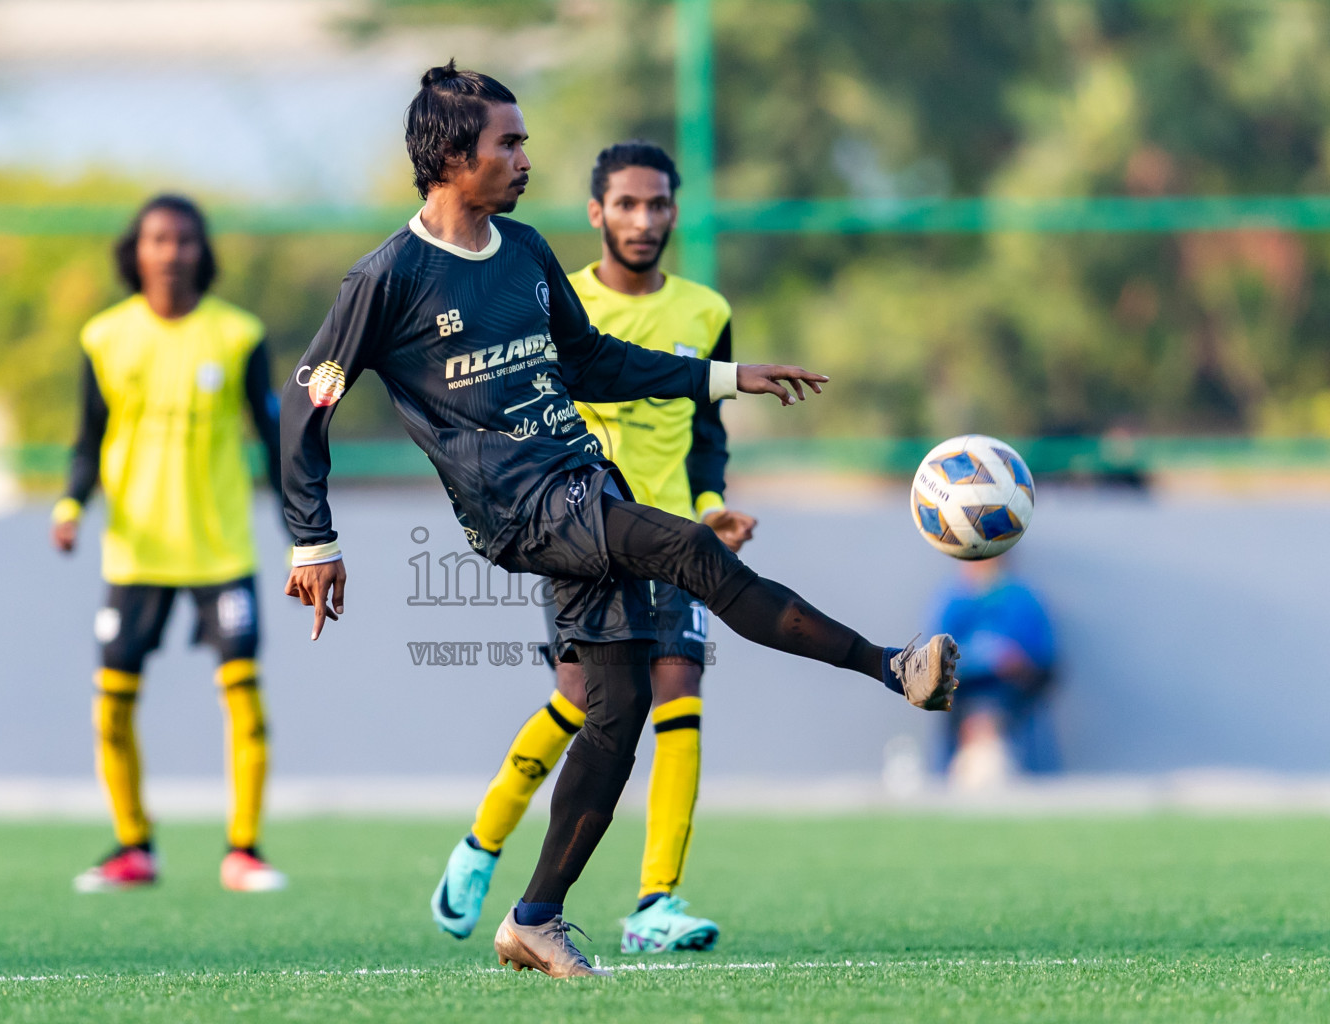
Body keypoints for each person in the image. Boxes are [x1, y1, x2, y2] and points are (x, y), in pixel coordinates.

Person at [281, 62, 959, 979]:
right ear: (450, 155)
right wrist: (314, 539)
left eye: (523, 140)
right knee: (683, 544)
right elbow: (305, 409)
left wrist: (725, 376)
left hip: (578, 484)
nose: (524, 156)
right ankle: (890, 665)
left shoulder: (521, 252)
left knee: (620, 711)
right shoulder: (388, 278)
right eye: (507, 142)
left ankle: (534, 918)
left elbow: (594, 363)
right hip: (521, 510)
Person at [431, 140, 755, 955]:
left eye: (658, 205)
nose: (644, 220)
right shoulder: (552, 298)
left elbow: (706, 433)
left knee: (679, 691)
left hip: (675, 532)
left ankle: (656, 904)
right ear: (596, 213)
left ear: (676, 212)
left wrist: (713, 506)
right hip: (584, 527)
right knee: (581, 701)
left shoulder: (706, 311)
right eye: (627, 205)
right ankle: (482, 842)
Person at [52, 194, 289, 894]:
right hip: (136, 552)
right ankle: (133, 847)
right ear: (137, 250)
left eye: (185, 240)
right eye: (158, 239)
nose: (172, 251)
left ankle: (243, 850)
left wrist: (307, 535)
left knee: (244, 695)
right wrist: (70, 505)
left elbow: (273, 441)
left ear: (201, 251)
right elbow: (87, 440)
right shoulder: (105, 337)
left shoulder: (238, 334)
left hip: (220, 550)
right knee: (113, 700)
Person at [929, 557, 1058, 789]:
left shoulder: (1023, 600)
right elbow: (933, 662)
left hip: (1011, 691)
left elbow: (1045, 663)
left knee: (991, 710)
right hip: (963, 692)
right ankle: (974, 766)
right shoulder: (952, 601)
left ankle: (994, 765)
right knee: (974, 710)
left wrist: (1017, 663)